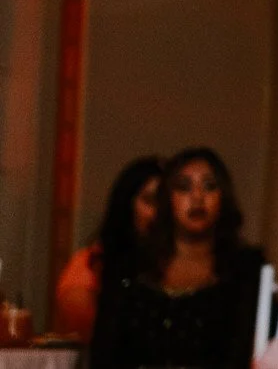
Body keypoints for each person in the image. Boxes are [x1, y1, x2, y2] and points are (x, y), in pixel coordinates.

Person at [92, 148, 265, 369]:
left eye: (210, 186)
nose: (197, 198)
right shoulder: (130, 269)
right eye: (184, 187)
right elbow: (105, 353)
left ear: (223, 197)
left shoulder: (245, 271)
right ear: (167, 198)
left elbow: (244, 351)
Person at [52, 155, 160, 341]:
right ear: (126, 205)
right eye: (150, 201)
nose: (160, 212)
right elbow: (90, 328)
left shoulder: (186, 264)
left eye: (167, 202)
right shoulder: (90, 264)